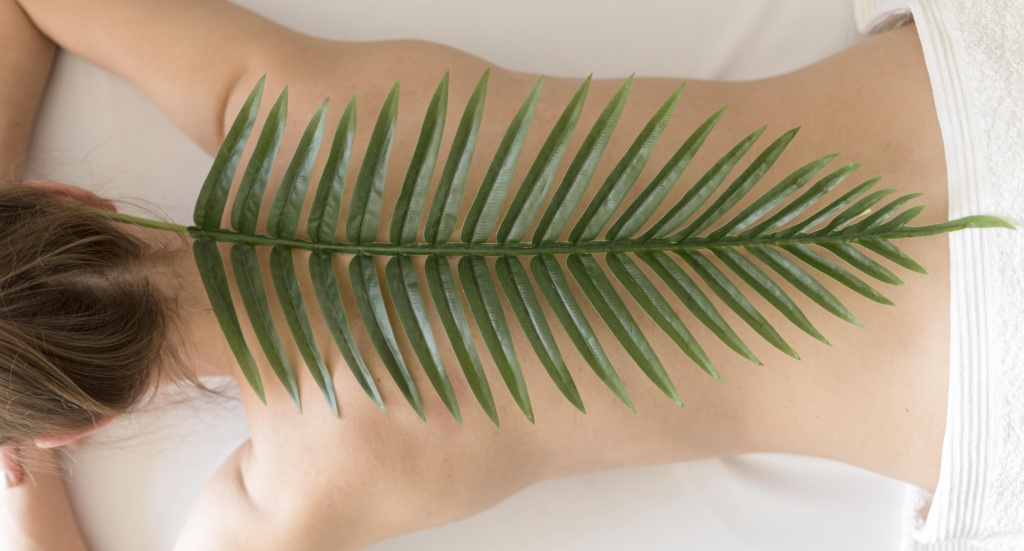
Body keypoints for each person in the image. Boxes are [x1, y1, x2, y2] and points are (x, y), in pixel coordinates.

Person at [0, 0, 1015, 549]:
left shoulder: (316, 479)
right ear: (72, 199)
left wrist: (23, 472)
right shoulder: (281, 99)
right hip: (976, 101)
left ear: (82, 418)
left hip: (978, 396)